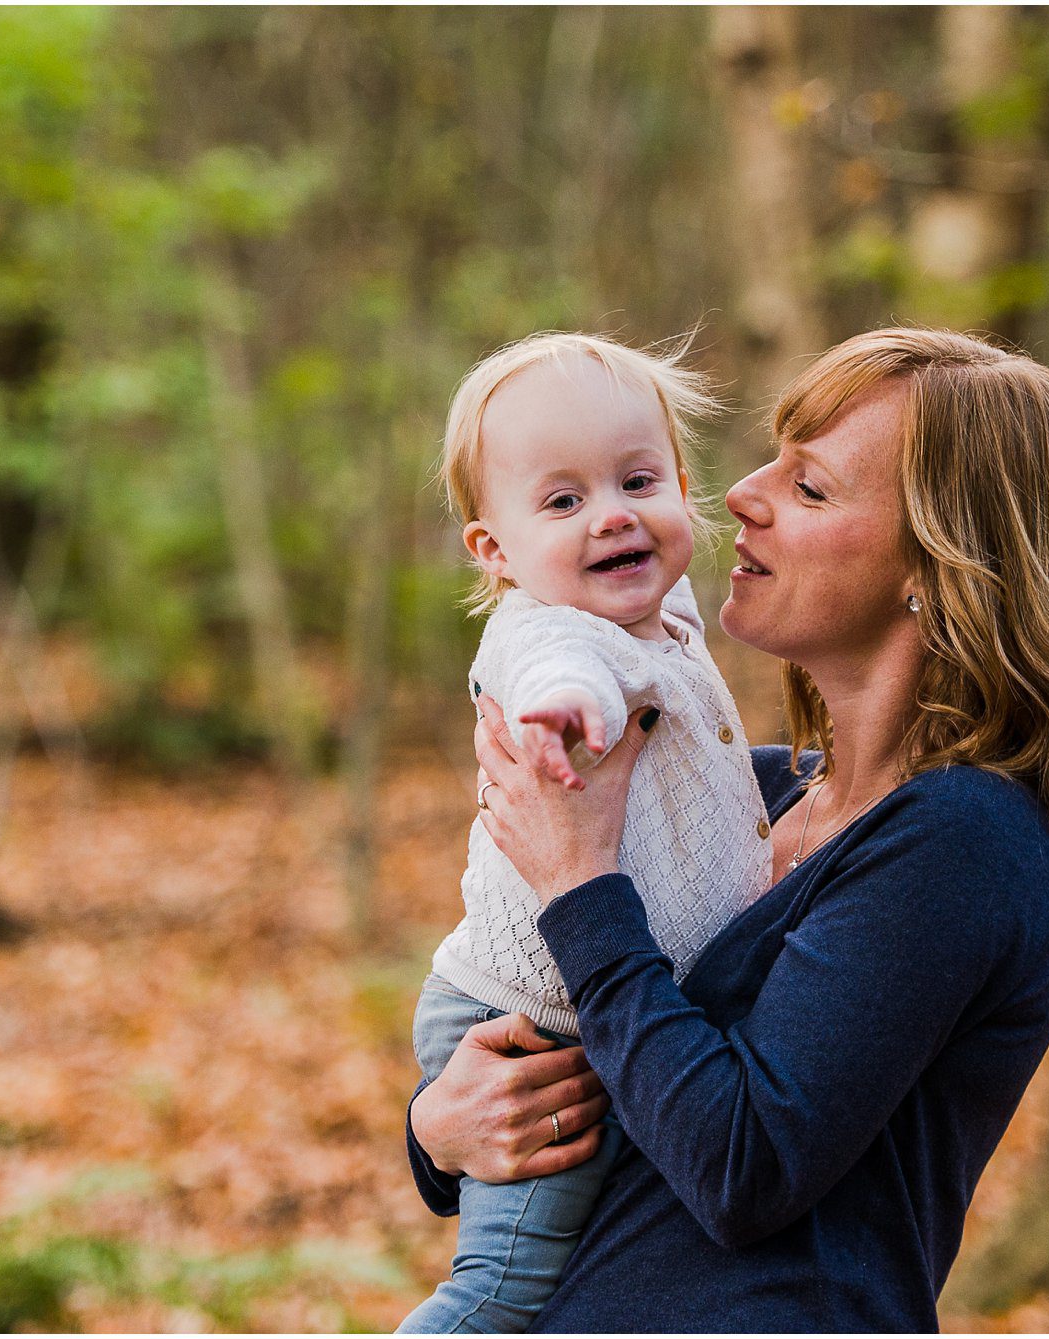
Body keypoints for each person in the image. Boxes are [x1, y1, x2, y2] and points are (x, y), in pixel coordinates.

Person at [405, 327, 1049, 1332]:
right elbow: (610, 1065)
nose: (741, 496)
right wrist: (441, 1129)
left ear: (936, 567)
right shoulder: (744, 796)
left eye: (809, 488)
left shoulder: (965, 841)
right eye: (771, 459)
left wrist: (579, 888)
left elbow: (740, 1165)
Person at [399, 332, 774, 1333]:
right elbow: (556, 672)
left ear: (680, 486)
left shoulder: (663, 616)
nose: (611, 515)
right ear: (495, 550)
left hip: (584, 1019)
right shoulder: (549, 633)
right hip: (530, 1032)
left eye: (637, 479)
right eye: (562, 502)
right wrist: (566, 718)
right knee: (500, 1290)